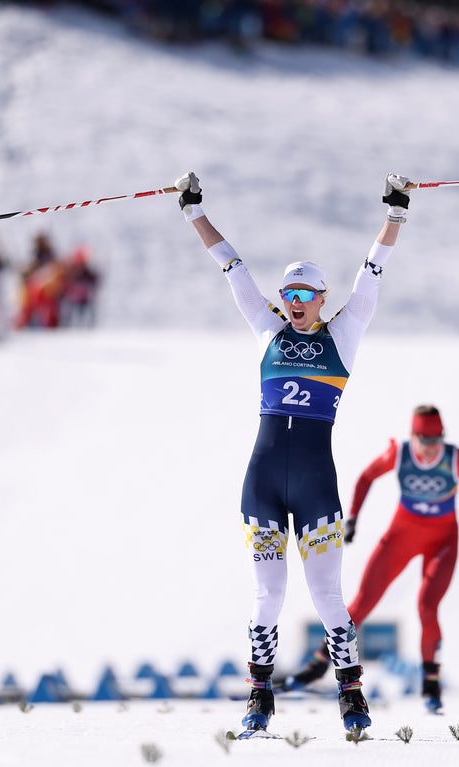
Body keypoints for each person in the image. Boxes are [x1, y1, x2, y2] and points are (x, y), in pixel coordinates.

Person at [175, 169, 411, 734]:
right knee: (268, 597)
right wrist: (193, 211)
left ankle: (351, 696)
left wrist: (396, 213)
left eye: (306, 295)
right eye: (289, 294)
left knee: (327, 595)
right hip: (261, 482)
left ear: (322, 299)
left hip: (315, 485)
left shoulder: (343, 335)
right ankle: (259, 697)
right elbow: (232, 268)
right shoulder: (267, 328)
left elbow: (372, 273)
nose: (297, 302)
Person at [279, 404, 459, 712]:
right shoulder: (400, 454)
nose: (432, 449)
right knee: (363, 602)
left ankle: (431, 683)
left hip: (443, 543)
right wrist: (353, 518)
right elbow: (367, 477)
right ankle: (319, 662)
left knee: (427, 606)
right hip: (401, 537)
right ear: (413, 436)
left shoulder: (454, 458)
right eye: (425, 441)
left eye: (437, 440)